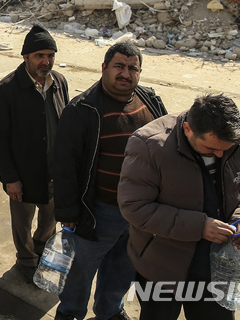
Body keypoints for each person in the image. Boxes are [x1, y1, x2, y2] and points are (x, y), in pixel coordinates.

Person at [118, 94, 240, 320]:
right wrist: (200, 226)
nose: (220, 154)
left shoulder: (236, 138)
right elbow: (134, 207)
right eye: (210, 148)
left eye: (225, 149)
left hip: (218, 269)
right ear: (187, 129)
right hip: (162, 268)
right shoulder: (149, 145)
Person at [52, 42, 168, 320]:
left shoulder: (150, 101)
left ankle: (110, 311)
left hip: (140, 212)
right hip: (98, 213)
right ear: (104, 68)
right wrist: (68, 213)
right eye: (119, 66)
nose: (125, 73)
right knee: (79, 272)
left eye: (132, 68)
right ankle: (70, 313)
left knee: (123, 267)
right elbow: (64, 165)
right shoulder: (82, 109)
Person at [0, 23, 68, 283]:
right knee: (22, 222)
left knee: (50, 219)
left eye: (50, 55)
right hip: (23, 173)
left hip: (54, 170)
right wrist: (10, 177)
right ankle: (25, 259)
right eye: (39, 56)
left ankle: (41, 250)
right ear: (25, 57)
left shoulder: (60, 82)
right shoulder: (7, 89)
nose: (46, 61)